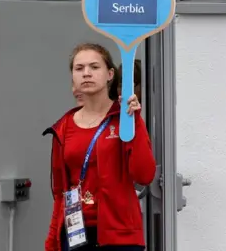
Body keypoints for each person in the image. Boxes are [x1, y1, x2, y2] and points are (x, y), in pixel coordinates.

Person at [43, 43, 156, 251]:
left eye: (94, 67)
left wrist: (136, 122)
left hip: (120, 237)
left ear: (110, 74)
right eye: (79, 68)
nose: (86, 73)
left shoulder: (125, 117)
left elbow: (144, 175)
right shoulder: (64, 127)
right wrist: (52, 243)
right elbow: (60, 193)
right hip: (76, 234)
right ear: (73, 77)